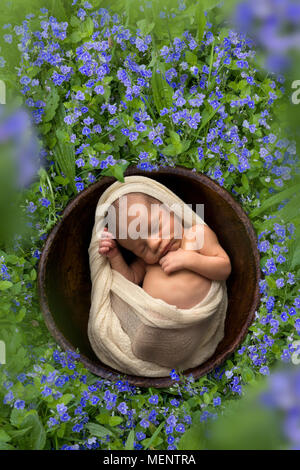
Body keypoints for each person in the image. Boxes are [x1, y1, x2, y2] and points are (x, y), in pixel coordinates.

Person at [98, 192, 231, 309]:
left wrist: (190, 259)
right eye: (143, 248)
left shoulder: (196, 235)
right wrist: (115, 256)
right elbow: (129, 282)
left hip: (199, 317)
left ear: (169, 209)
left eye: (156, 227)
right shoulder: (148, 263)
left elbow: (224, 268)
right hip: (158, 323)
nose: (154, 244)